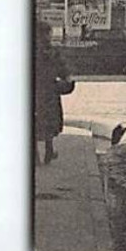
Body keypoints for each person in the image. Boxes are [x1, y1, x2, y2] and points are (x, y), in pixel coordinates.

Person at [33, 20, 74, 166]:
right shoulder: (52, 51)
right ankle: (49, 150)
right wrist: (68, 79)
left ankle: (36, 155)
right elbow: (63, 70)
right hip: (50, 91)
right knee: (49, 121)